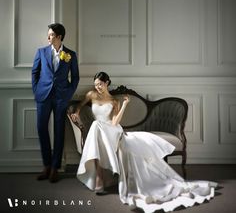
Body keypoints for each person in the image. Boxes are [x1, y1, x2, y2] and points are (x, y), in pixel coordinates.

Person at [71, 71, 217, 213]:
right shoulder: (91, 95)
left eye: (100, 84)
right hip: (99, 130)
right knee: (96, 126)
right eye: (96, 84)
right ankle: (99, 176)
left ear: (107, 83)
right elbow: (79, 106)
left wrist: (124, 105)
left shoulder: (114, 101)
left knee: (97, 126)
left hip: (112, 130)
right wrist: (76, 114)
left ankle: (99, 178)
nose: (98, 87)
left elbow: (115, 122)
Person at [32, 23, 79, 183]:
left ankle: (55, 168)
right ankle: (46, 165)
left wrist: (68, 94)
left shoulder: (70, 54)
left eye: (51, 35)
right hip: (43, 96)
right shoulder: (41, 52)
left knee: (59, 131)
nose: (48, 37)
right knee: (41, 129)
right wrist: (36, 90)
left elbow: (76, 77)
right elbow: (35, 72)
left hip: (61, 98)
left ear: (59, 37)